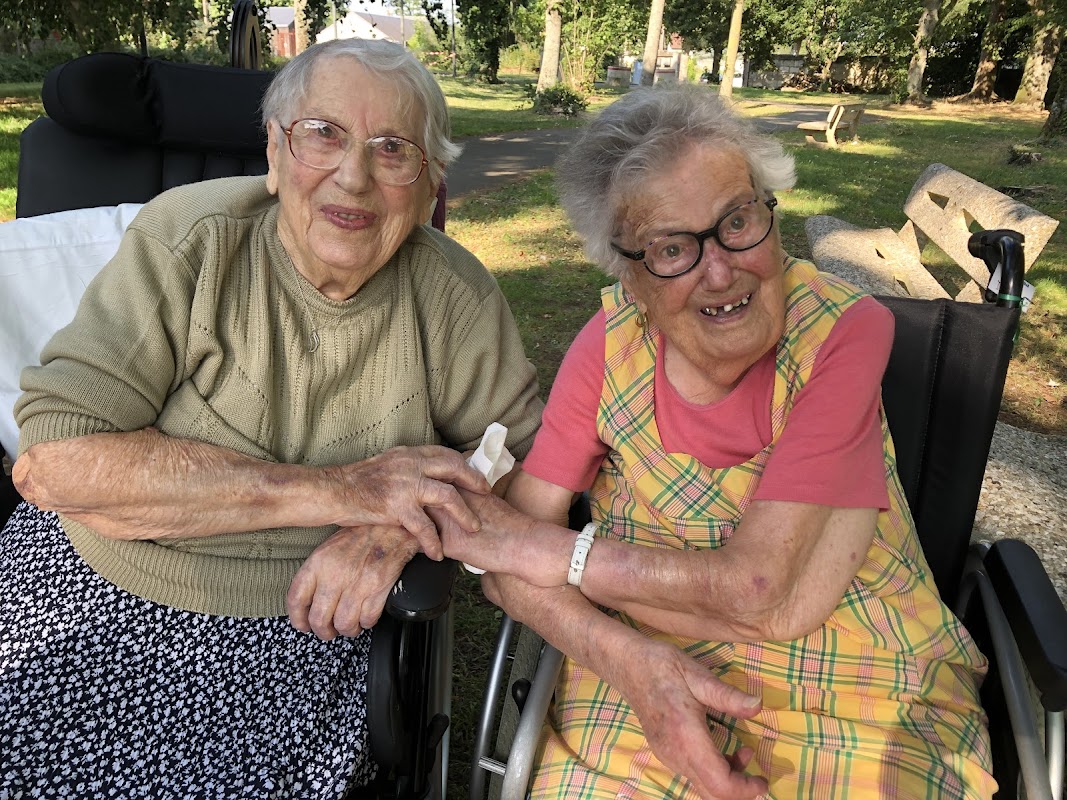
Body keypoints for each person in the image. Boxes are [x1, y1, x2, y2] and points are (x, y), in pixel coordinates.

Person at [1, 39, 541, 797]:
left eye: (392, 149)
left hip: (299, 623)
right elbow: (54, 463)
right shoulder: (190, 241)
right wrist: (346, 492)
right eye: (322, 134)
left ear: (429, 183)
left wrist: (397, 527)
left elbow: (524, 457)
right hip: (89, 584)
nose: (352, 176)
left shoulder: (452, 295)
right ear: (274, 151)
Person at [437, 84, 997, 799]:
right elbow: (505, 565)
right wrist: (625, 656)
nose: (722, 270)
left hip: (863, 674)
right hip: (641, 669)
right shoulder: (609, 348)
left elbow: (758, 591)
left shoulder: (842, 332)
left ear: (769, 210)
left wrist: (560, 557)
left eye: (737, 221)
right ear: (629, 275)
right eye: (672, 248)